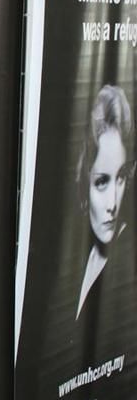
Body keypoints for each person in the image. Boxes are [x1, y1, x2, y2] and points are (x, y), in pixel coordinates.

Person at [75, 84, 135, 320]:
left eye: (120, 178)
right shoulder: (78, 257)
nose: (113, 204)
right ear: (84, 183)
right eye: (101, 182)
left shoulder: (128, 263)